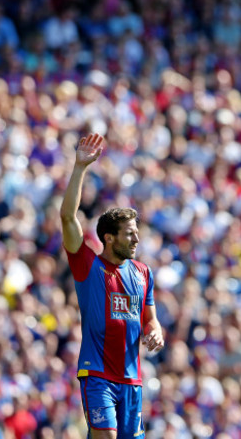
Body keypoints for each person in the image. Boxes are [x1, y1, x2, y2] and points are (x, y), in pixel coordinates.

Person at [60, 132, 164, 438]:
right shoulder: (88, 266)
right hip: (97, 375)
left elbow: (150, 319)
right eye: (129, 233)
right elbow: (67, 217)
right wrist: (80, 168)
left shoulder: (143, 273)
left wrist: (155, 332)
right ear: (109, 237)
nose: (136, 239)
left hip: (132, 381)